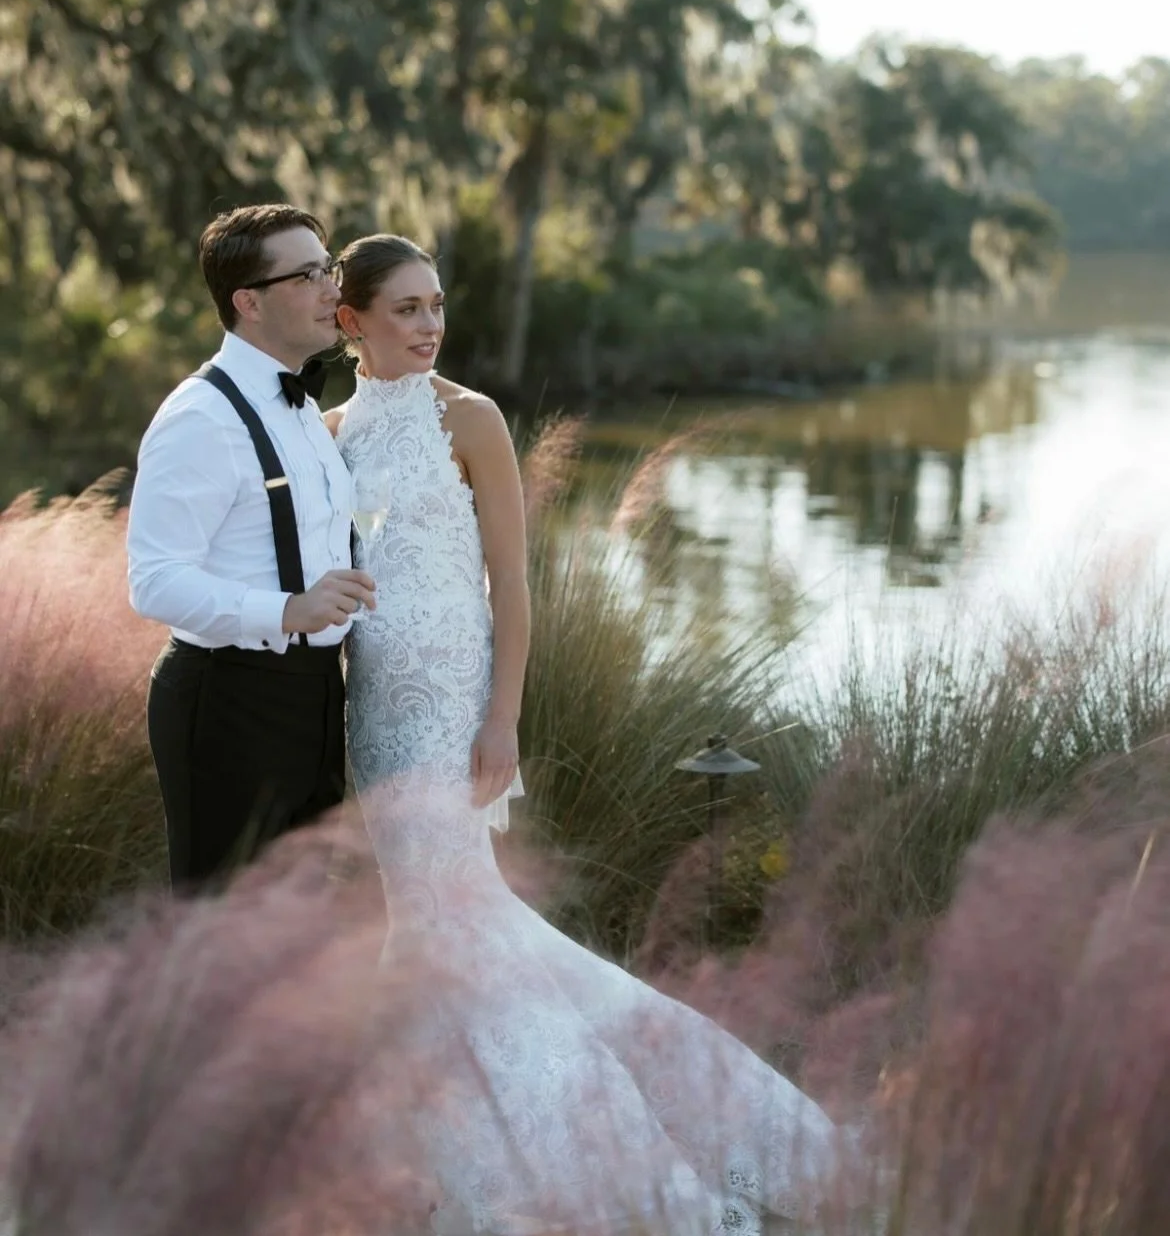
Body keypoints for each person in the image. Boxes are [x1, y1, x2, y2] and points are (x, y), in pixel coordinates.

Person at [328, 234, 841, 1236]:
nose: (431, 326)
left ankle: (538, 1157)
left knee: (451, 923)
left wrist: (504, 717)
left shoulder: (470, 419)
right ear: (349, 321)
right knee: (435, 922)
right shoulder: (329, 432)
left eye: (438, 306)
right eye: (406, 309)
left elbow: (513, 582)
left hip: (453, 703)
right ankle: (432, 1145)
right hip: (374, 709)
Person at [126, 204, 376, 889]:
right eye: (308, 275)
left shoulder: (304, 413)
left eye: (331, 269)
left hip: (314, 697)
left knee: (291, 946)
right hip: (228, 703)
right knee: (228, 942)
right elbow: (153, 580)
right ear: (249, 303)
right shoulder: (199, 418)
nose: (333, 290)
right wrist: (287, 610)